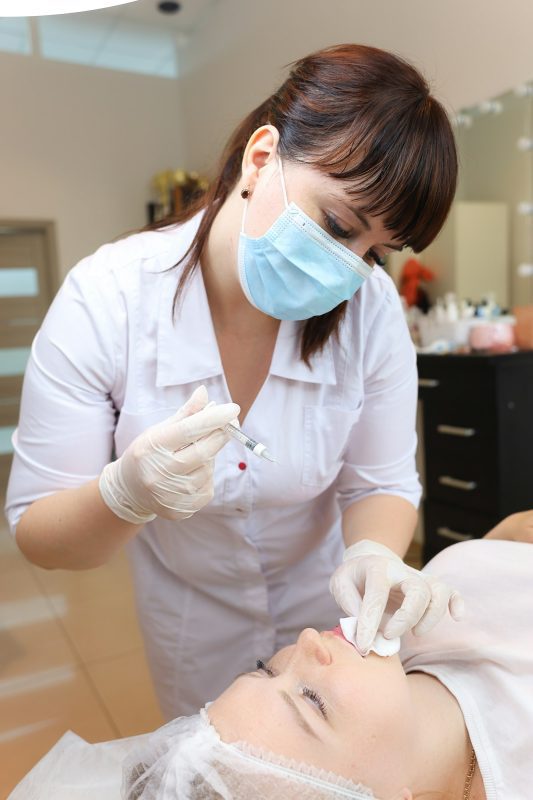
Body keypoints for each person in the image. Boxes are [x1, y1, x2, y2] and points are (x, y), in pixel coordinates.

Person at [5, 43, 460, 718]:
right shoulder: (108, 297)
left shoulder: (370, 311)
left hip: (324, 624)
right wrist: (124, 494)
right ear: (260, 157)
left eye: (376, 253)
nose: (350, 267)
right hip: (193, 626)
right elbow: (39, 533)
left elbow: (380, 481)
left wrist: (373, 555)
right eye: (339, 225)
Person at [8, 512, 533, 799]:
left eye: (266, 670)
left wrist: (499, 545)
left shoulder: (444, 596)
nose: (306, 641)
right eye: (311, 701)